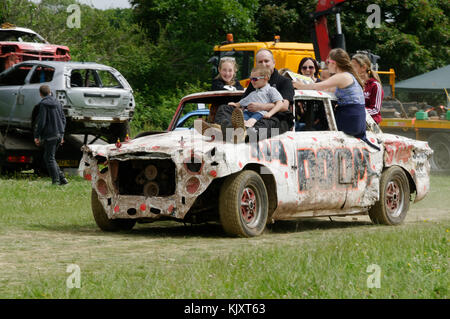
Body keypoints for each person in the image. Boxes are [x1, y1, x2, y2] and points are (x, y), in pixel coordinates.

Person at [294, 48, 378, 150]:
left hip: (349, 120)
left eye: (328, 62)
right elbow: (326, 89)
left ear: (335, 63)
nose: (326, 65)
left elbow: (318, 86)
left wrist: (300, 86)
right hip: (356, 122)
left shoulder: (342, 76)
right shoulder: (347, 76)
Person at [211, 49, 294, 142]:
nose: (263, 64)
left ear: (273, 63)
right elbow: (245, 101)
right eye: (260, 62)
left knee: (266, 122)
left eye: (266, 61)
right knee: (225, 108)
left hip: (274, 116)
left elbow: (284, 106)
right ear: (256, 64)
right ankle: (225, 128)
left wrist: (261, 107)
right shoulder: (254, 82)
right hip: (250, 114)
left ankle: (244, 134)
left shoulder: (284, 81)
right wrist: (237, 107)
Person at [34, 85, 68, 185]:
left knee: (49, 158)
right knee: (49, 157)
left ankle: (56, 181)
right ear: (50, 92)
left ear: (40, 94)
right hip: (58, 135)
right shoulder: (58, 102)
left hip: (50, 135)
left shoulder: (43, 104)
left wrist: (37, 135)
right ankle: (62, 179)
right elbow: (63, 119)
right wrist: (62, 135)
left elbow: (42, 121)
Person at [351, 53, 384, 124]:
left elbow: (375, 109)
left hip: (370, 123)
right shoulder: (352, 84)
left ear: (363, 68)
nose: (351, 69)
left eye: (354, 66)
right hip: (354, 120)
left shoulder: (375, 85)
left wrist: (356, 110)